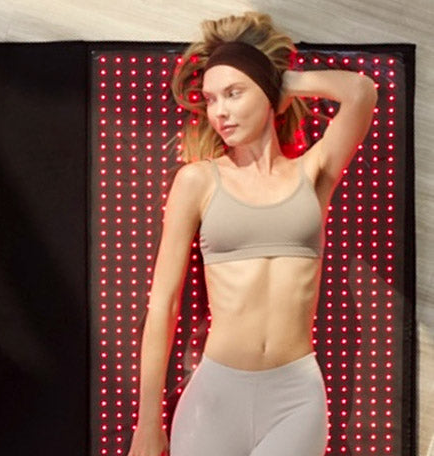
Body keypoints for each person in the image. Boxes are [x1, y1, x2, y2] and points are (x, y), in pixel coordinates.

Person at [128, 12, 377, 456]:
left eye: (234, 92)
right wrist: (148, 422)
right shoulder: (198, 181)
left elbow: (361, 92)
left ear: (267, 92)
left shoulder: (312, 173)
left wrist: (283, 81)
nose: (219, 111)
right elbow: (162, 304)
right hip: (216, 396)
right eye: (210, 99)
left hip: (295, 398)